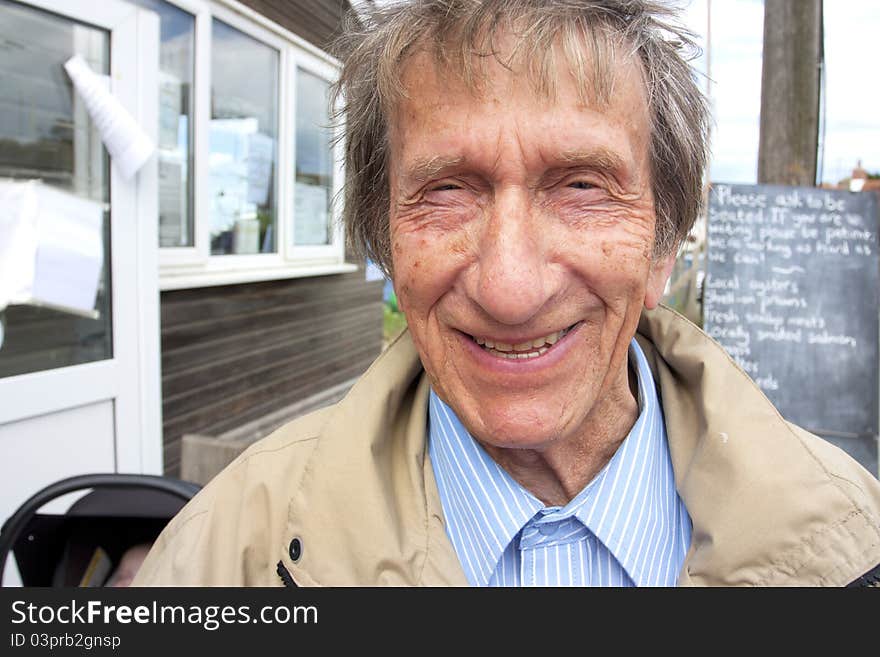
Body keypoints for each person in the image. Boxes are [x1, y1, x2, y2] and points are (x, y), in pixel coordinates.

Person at [134, 0, 880, 587]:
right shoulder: (226, 554)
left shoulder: (852, 541)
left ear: (663, 245)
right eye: (447, 190)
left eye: (582, 186)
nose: (511, 287)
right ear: (386, 243)